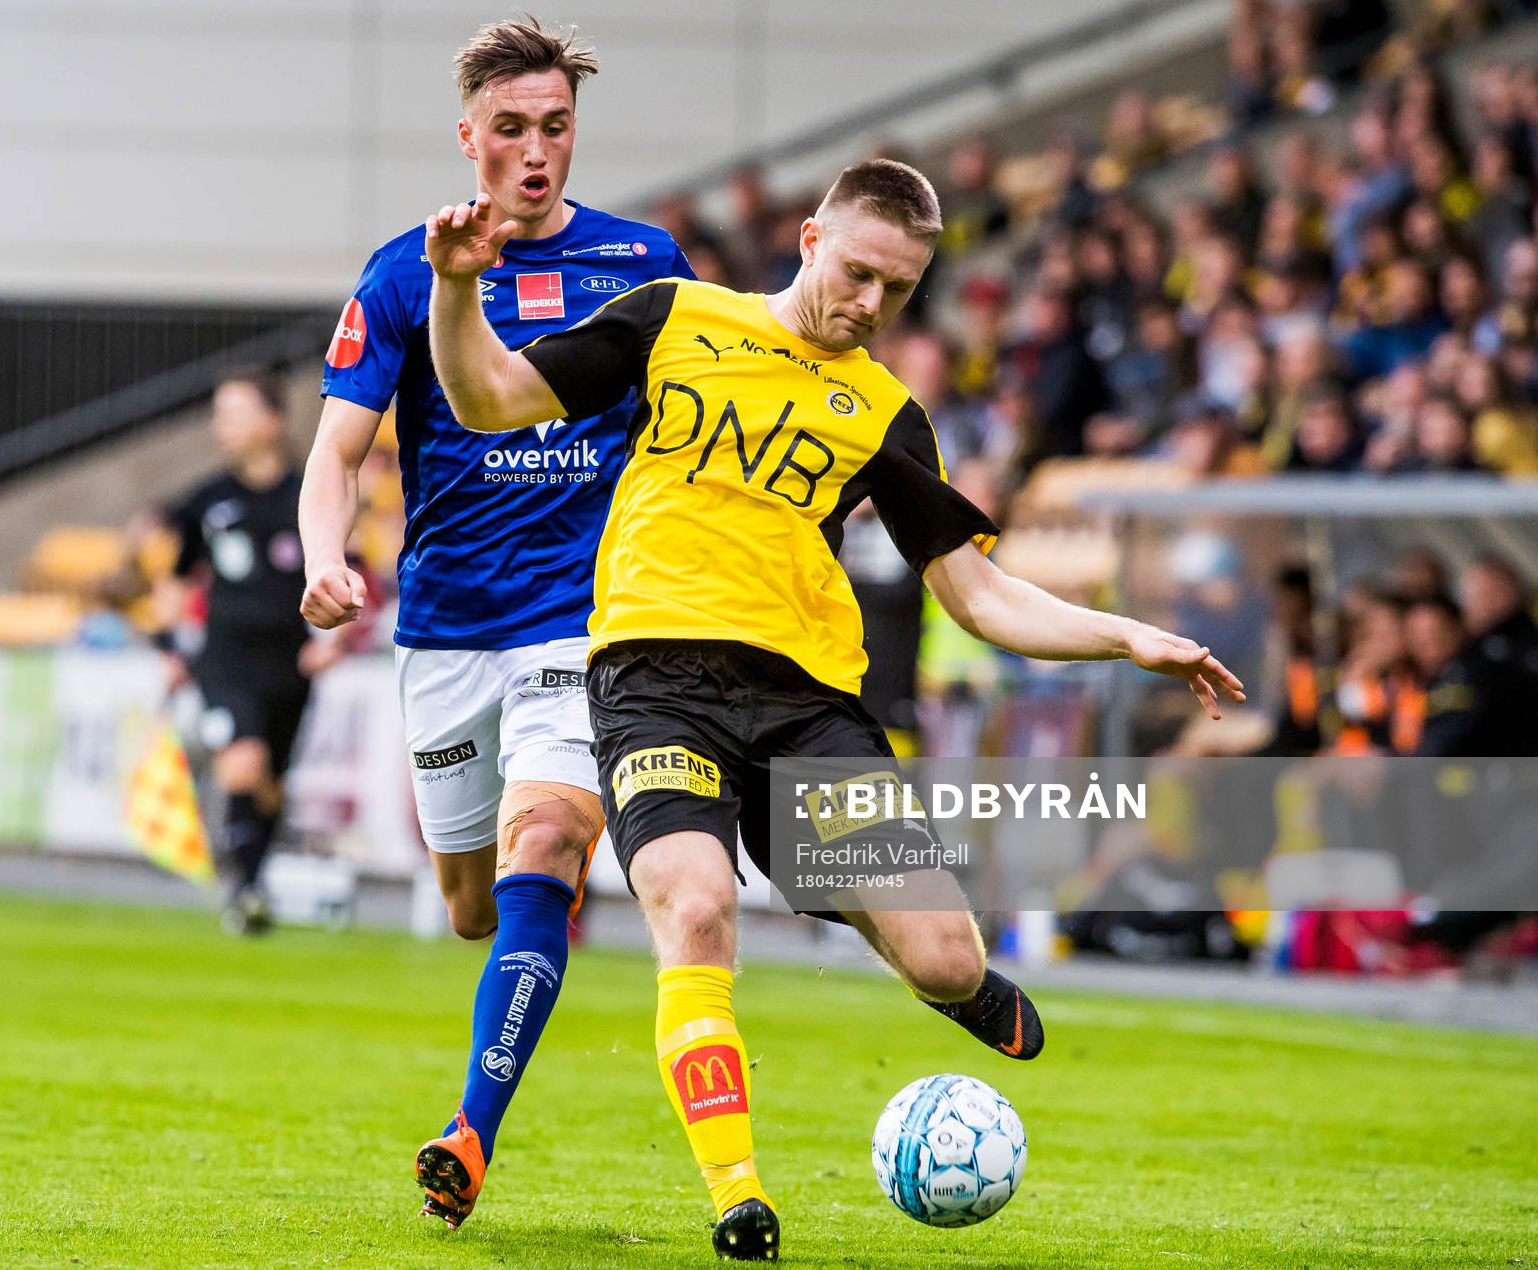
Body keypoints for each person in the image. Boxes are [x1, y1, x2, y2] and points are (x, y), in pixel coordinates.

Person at [423, 158, 1247, 1260]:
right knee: (695, 903)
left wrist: (1127, 633)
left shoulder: (886, 415)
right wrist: (454, 287)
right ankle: (737, 1194)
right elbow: (487, 397)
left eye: (898, 291)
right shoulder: (672, 318)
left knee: (948, 959)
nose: (869, 303)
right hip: (656, 684)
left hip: (807, 706)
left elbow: (981, 591)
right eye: (859, 272)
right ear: (811, 237)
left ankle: (888, 930)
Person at [295, 18, 693, 1230]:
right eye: (510, 129)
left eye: (555, 128)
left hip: (585, 621)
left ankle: (471, 1129)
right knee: (473, 901)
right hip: (449, 632)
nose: (535, 152)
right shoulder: (406, 272)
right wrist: (324, 558)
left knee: (548, 849)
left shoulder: (644, 261)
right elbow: (337, 451)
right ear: (467, 135)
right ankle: (516, 934)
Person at [157, 369, 315, 935]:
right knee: (242, 764)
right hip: (225, 659)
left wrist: (336, 644)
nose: (220, 427)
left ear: (273, 422)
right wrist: (173, 645)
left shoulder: (310, 495)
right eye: (218, 415)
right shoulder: (207, 500)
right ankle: (246, 892)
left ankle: (253, 876)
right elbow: (175, 581)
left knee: (269, 781)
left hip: (291, 662)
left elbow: (352, 568)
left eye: (234, 413)